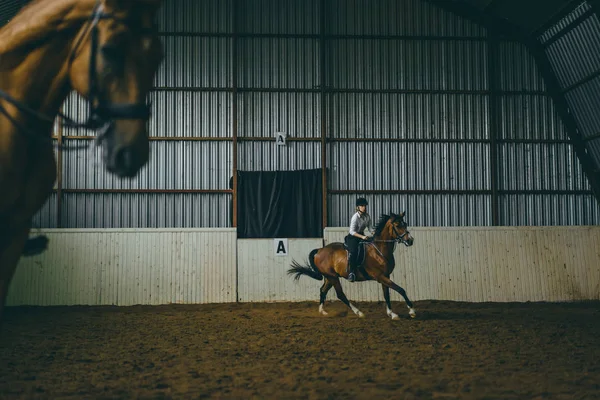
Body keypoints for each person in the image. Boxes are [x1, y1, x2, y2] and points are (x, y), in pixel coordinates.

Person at [344, 197, 373, 282]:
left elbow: (370, 228)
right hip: (353, 237)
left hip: (361, 235)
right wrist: (362, 237)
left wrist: (374, 233)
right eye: (362, 206)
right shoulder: (355, 217)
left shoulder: (367, 216)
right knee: (353, 252)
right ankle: (351, 273)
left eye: (365, 206)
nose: (364, 207)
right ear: (358, 207)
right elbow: (352, 231)